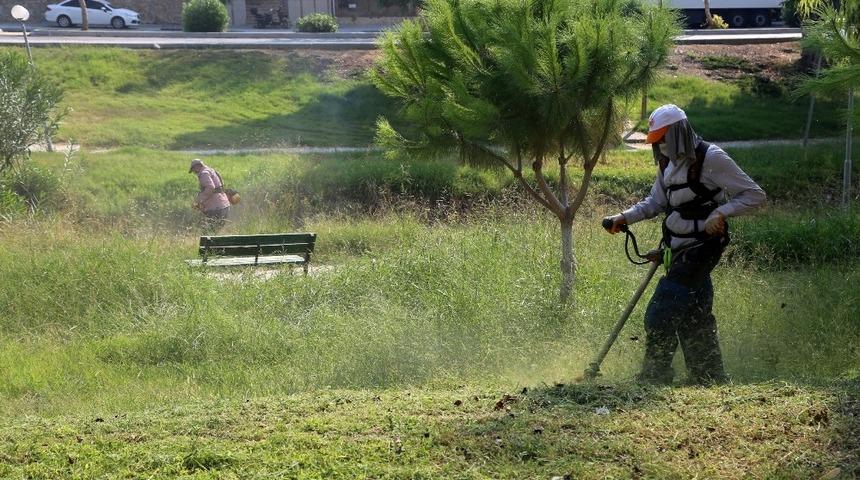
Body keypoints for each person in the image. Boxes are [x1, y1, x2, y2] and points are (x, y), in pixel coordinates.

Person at [604, 104, 766, 385]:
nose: (660, 147)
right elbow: (656, 202)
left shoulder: (710, 158)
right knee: (695, 313)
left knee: (662, 310)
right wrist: (624, 217)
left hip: (703, 246)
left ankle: (655, 376)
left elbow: (754, 195)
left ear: (678, 133)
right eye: (657, 142)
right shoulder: (667, 162)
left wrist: (721, 212)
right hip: (675, 247)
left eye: (664, 139)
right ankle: (708, 376)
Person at [189, 158, 231, 233]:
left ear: (197, 167)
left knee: (207, 233)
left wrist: (199, 200)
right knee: (215, 232)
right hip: (224, 205)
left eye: (194, 171)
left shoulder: (204, 173)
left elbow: (210, 188)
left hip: (215, 208)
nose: (195, 173)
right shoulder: (212, 170)